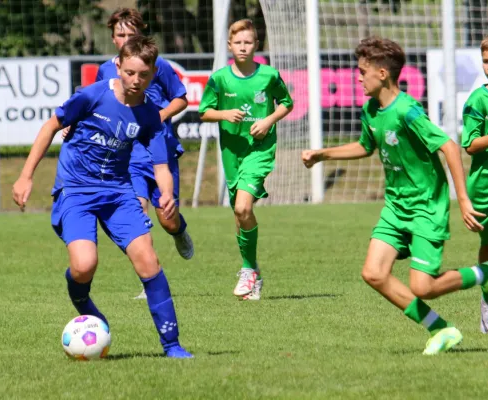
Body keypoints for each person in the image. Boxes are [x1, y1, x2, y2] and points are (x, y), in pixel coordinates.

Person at [302, 36, 486, 355]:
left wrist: (463, 200)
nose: (358, 78)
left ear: (383, 73)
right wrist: (323, 154)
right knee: (373, 273)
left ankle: (484, 273)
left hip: (426, 207)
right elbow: (365, 146)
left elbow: (449, 146)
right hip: (395, 207)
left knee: (423, 287)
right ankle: (441, 329)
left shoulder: (407, 110)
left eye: (363, 72)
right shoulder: (371, 109)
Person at [12, 36, 193, 358]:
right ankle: (82, 300)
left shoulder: (150, 115)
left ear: (153, 74)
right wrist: (26, 176)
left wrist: (166, 192)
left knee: (148, 260)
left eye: (144, 75)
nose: (136, 80)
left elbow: (161, 165)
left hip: (118, 192)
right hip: (76, 191)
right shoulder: (92, 96)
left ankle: (172, 345)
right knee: (84, 266)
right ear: (118, 66)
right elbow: (50, 127)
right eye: (130, 72)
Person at [68, 8, 194, 300]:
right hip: (128, 154)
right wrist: (74, 127)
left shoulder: (158, 65)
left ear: (141, 34)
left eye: (131, 33)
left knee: (168, 218)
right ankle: (149, 280)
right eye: (120, 34)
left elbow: (181, 99)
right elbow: (93, 106)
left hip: (160, 151)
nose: (126, 39)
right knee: (136, 213)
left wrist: (158, 117)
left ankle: (179, 231)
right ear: (113, 38)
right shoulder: (105, 71)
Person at [198, 19, 293, 300]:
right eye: (238, 42)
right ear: (230, 45)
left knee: (242, 207)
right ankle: (254, 273)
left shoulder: (269, 76)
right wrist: (224, 114)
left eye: (248, 42)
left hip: (259, 150)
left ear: (256, 45)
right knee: (240, 215)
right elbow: (204, 111)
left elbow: (286, 103)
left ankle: (248, 269)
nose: (243, 47)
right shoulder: (219, 79)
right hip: (232, 153)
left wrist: (268, 120)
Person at [461, 36, 488, 333]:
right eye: (485, 61)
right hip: (484, 188)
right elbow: (470, 145)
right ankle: (487, 302)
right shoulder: (478, 100)